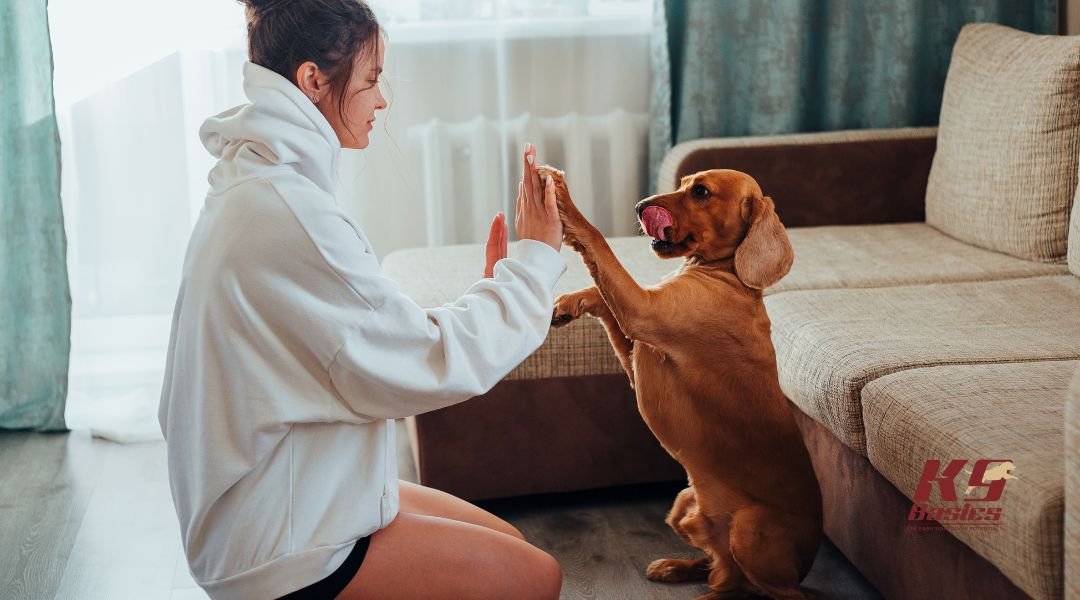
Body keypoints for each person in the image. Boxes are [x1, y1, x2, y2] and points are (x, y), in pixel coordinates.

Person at [157, 1, 566, 598]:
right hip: (279, 537)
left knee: (514, 547)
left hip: (290, 485)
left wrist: (497, 286)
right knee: (537, 579)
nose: (383, 101)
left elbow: (366, 339)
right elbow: (424, 360)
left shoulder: (260, 182)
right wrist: (532, 264)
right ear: (312, 79)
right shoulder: (287, 213)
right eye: (372, 80)